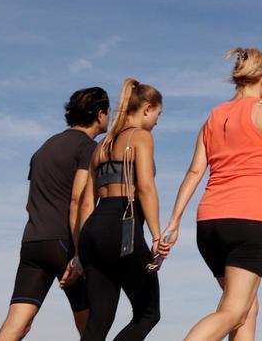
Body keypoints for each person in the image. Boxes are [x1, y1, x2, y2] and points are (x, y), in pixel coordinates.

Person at [163, 47, 262, 341]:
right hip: (247, 221)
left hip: (208, 225)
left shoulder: (214, 116)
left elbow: (195, 172)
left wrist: (173, 221)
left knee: (248, 306)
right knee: (234, 311)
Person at [0, 87, 109, 340]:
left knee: (17, 323)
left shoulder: (44, 148)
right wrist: (79, 254)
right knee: (92, 326)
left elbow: (29, 203)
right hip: (64, 244)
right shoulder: (88, 148)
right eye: (107, 112)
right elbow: (78, 199)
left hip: (33, 242)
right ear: (100, 114)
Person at [76, 79, 169, 341]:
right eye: (158, 115)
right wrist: (157, 236)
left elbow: (85, 203)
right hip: (121, 226)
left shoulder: (101, 146)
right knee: (148, 313)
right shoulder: (141, 137)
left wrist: (79, 252)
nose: (157, 122)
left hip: (92, 231)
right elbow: (146, 189)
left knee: (99, 319)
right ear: (147, 108)